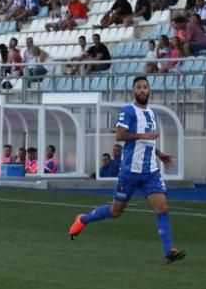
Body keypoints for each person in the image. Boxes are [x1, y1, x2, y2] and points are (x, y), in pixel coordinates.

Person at [68, 76, 186, 263]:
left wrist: (159, 153)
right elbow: (120, 136)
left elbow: (146, 141)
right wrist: (142, 134)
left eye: (145, 87)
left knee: (162, 208)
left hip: (150, 172)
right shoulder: (129, 111)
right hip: (130, 172)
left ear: (149, 91)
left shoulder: (152, 113)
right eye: (138, 87)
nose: (142, 90)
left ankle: (169, 251)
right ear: (133, 91)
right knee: (116, 212)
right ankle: (83, 219)